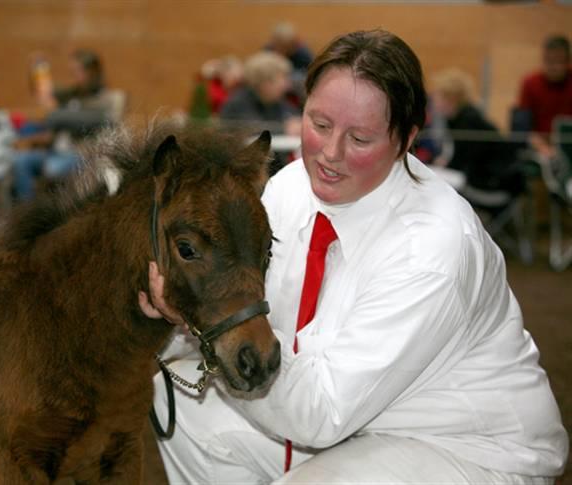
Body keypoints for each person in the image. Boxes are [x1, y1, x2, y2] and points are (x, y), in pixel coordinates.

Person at [142, 30, 568, 484]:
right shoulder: (289, 187)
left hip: (464, 448)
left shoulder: (434, 248)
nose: (330, 154)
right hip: (346, 420)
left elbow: (321, 414)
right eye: (319, 124)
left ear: (406, 140)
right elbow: (244, 318)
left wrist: (201, 322)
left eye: (360, 139)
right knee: (175, 398)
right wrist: (176, 311)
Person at [12, 49, 109, 202]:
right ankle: (26, 210)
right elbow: (44, 93)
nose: (74, 76)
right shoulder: (72, 94)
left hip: (82, 154)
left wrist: (55, 114)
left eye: (78, 71)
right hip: (56, 151)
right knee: (20, 160)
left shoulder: (103, 99)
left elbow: (86, 120)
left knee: (53, 168)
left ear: (91, 72)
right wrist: (39, 67)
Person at [432, 68, 523, 194]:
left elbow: (466, 158)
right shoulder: (456, 118)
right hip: (483, 174)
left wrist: (444, 166)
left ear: (451, 98)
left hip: (493, 180)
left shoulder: (468, 119)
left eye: (437, 96)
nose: (434, 101)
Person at [517, 35, 572, 159]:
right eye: (548, 61)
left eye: (558, 61)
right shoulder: (530, 82)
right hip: (540, 150)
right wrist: (544, 148)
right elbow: (523, 128)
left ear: (568, 62)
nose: (553, 67)